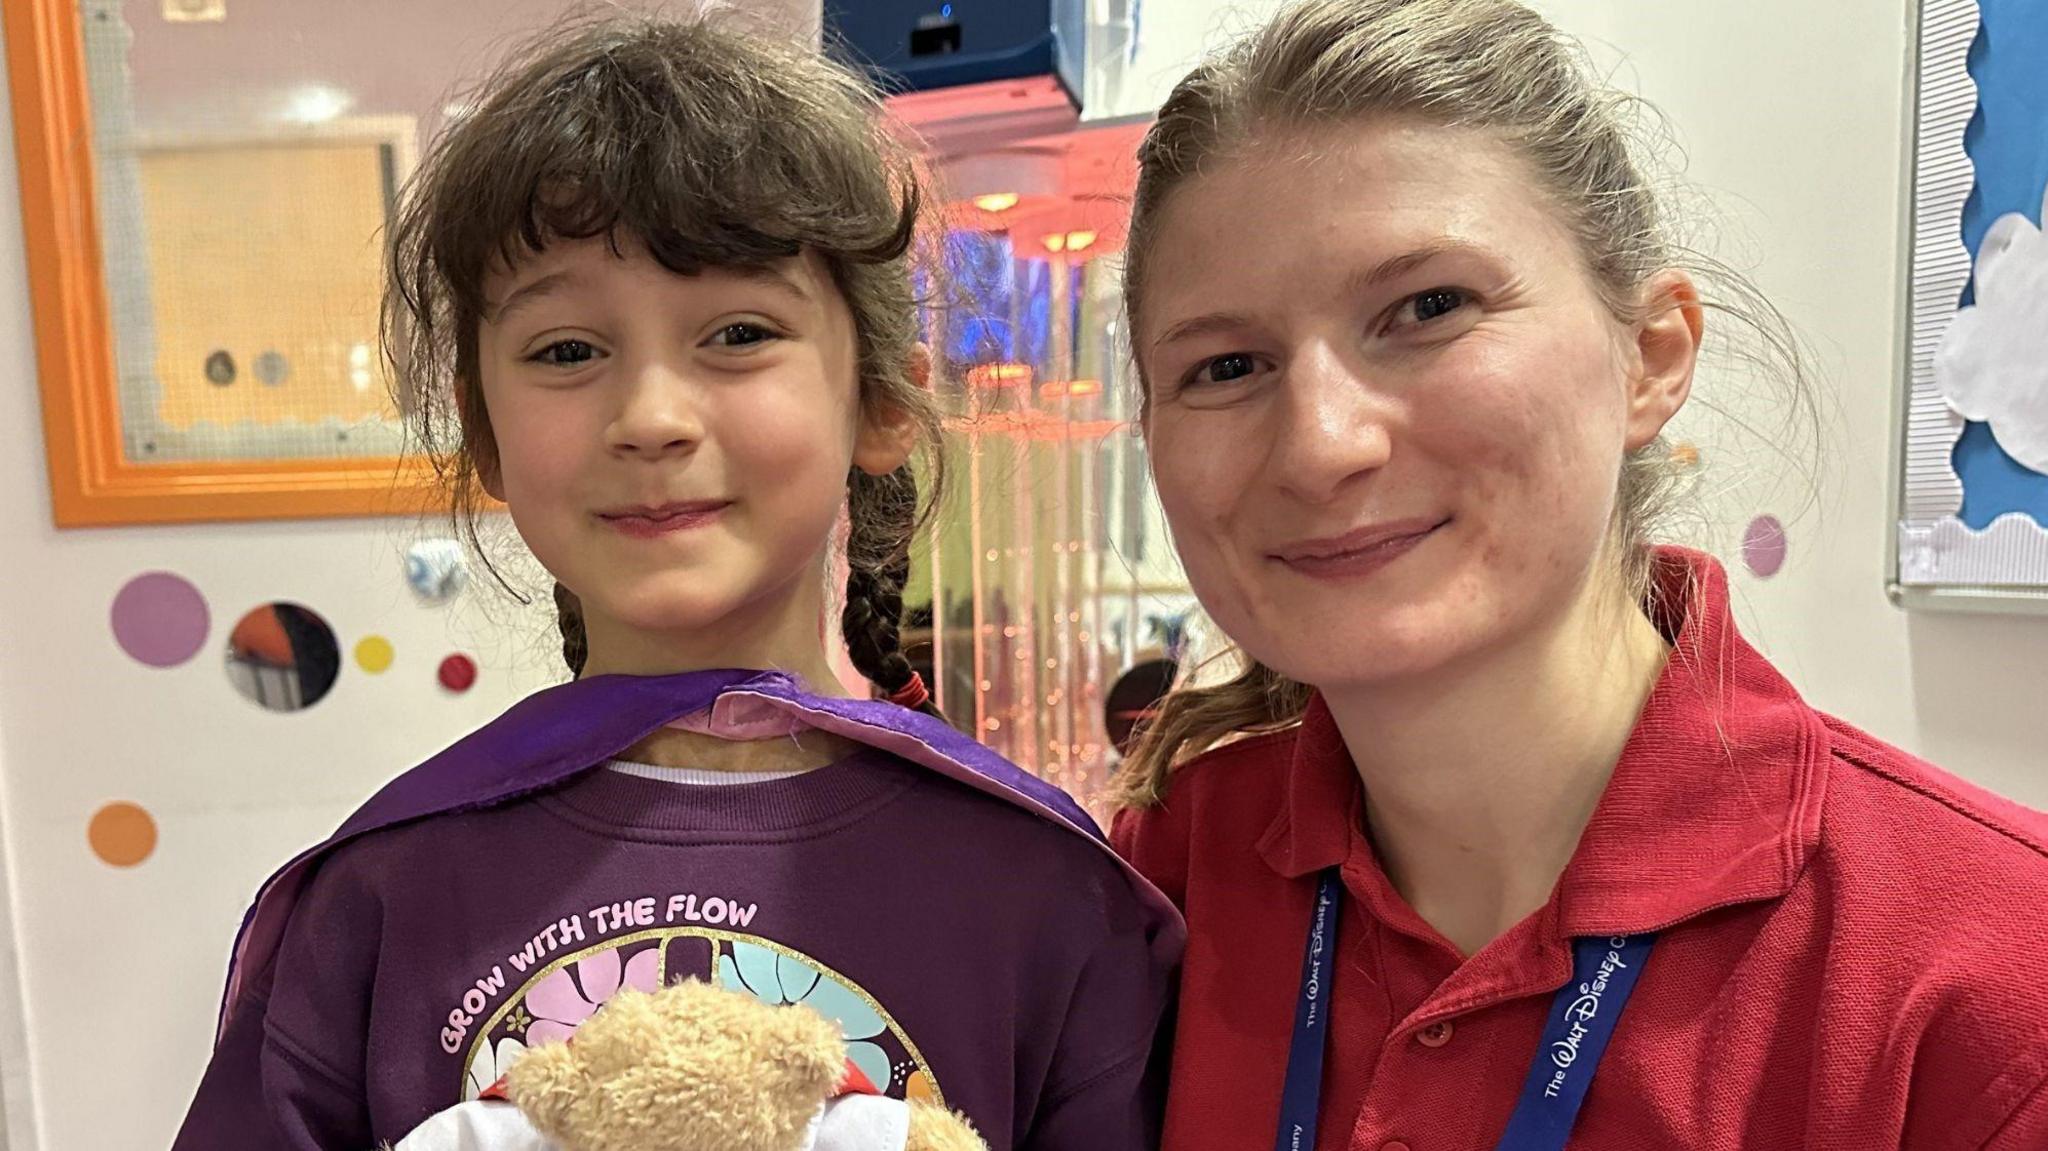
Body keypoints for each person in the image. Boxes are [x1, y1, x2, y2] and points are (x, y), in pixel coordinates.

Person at [170, 16, 1177, 1151]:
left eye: (738, 332)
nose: (648, 416)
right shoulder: (379, 897)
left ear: (886, 401)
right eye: (564, 350)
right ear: (486, 431)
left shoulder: (1038, 890)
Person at [1107, 1, 2048, 1148]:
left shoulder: (1989, 981)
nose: (1320, 443)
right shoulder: (1156, 877)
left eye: (1425, 307)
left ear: (1648, 355)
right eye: (1226, 364)